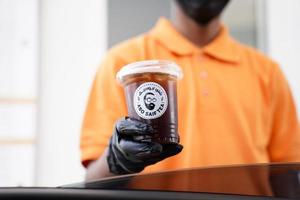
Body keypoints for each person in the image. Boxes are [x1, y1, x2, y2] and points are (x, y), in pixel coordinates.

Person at [80, 0, 300, 181]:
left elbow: (288, 174)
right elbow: (93, 179)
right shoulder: (123, 63)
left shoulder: (267, 72)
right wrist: (117, 159)